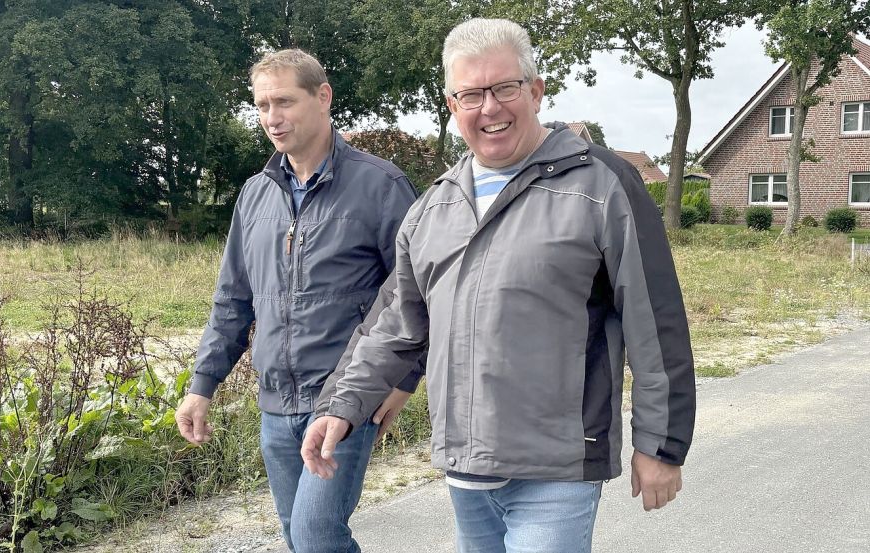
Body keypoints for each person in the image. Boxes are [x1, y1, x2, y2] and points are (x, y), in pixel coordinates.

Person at [303, 18, 696, 553]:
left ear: (535, 91)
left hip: (556, 470)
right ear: (452, 104)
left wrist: (661, 445)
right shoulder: (433, 207)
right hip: (465, 471)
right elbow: (394, 325)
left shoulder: (601, 184)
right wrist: (340, 405)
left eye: (504, 88)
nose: (489, 107)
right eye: (471, 94)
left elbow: (656, 322)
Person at [174, 48, 423, 553]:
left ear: (323, 97)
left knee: (316, 538)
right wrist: (201, 386)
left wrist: (405, 381)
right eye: (262, 106)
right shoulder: (255, 194)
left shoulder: (381, 186)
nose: (272, 118)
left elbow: (418, 293)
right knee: (298, 538)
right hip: (274, 404)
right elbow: (233, 300)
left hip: (344, 397)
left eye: (283, 102)